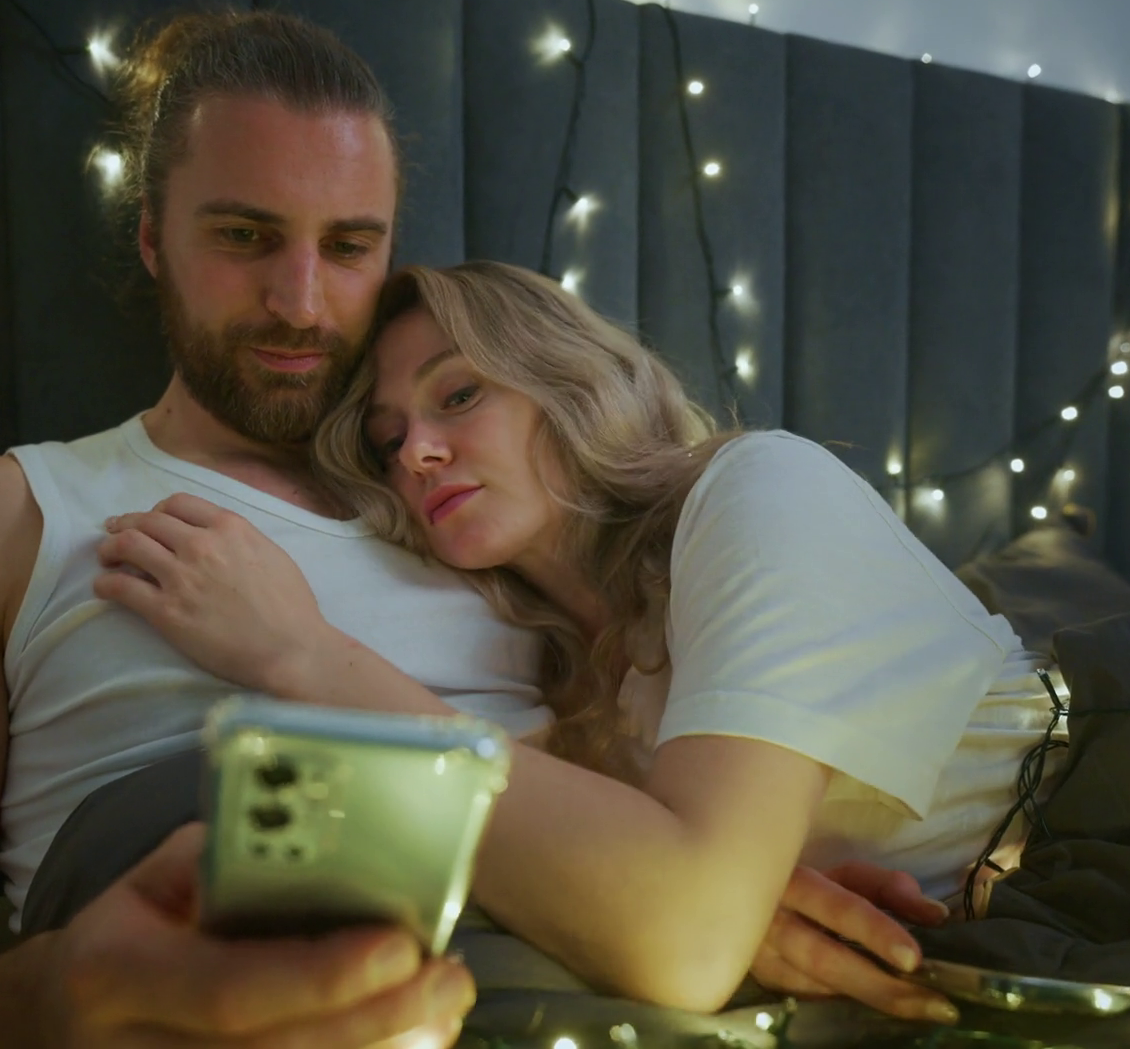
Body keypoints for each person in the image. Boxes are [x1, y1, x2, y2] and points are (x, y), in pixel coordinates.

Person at [0, 10, 943, 1046]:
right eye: (244, 237)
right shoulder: (5, 517)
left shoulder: (478, 527)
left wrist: (706, 889)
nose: (301, 303)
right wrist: (35, 999)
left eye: (350, 247)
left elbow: (661, 853)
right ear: (151, 237)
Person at [94, 262, 1062, 1021]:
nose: (417, 453)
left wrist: (302, 655)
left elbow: (683, 937)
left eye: (458, 396)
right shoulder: (562, 687)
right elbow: (683, 906)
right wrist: (738, 907)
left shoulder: (761, 489)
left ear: (566, 381)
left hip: (1085, 852)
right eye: (388, 441)